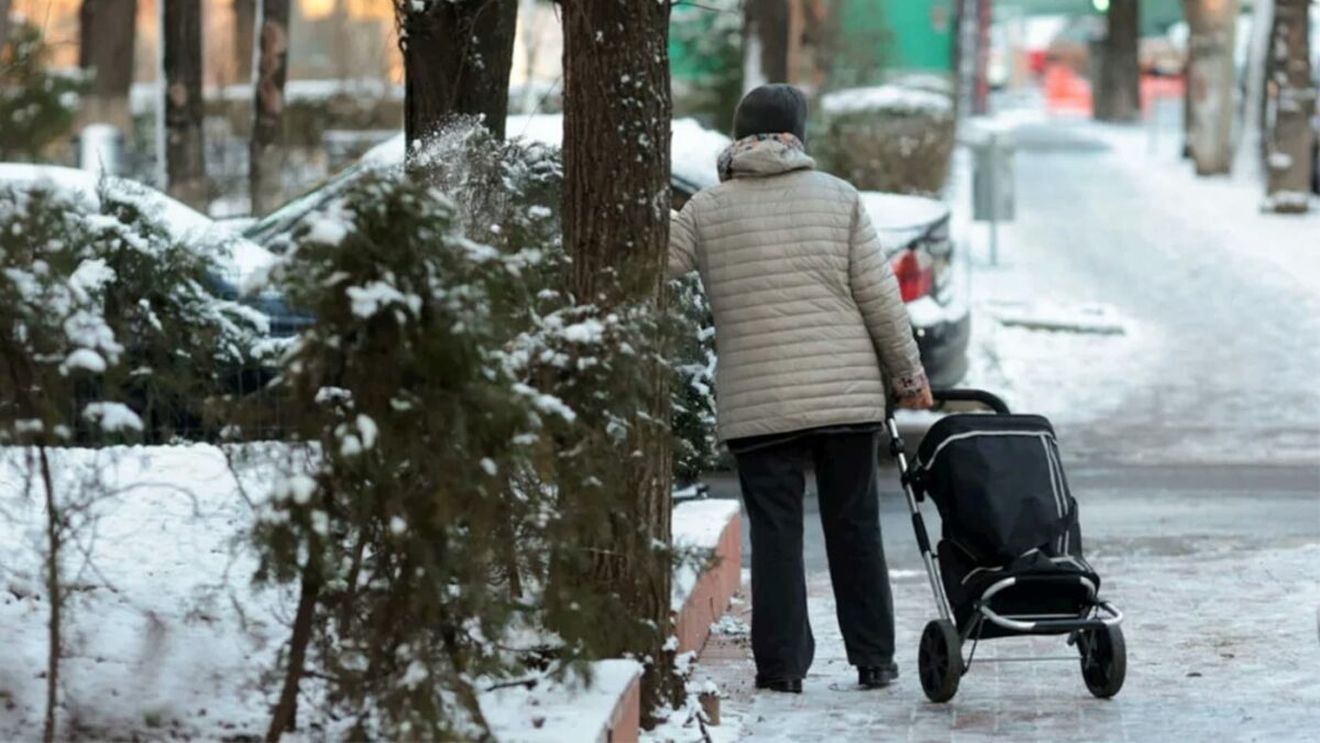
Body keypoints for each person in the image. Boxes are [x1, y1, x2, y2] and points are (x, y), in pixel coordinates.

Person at [668, 84, 934, 694]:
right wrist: (909, 376)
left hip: (759, 401)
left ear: (739, 135)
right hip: (845, 395)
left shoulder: (707, 208)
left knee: (777, 536)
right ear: (799, 134)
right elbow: (880, 299)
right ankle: (874, 658)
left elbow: (656, 261)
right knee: (855, 526)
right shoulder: (839, 197)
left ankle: (782, 667)